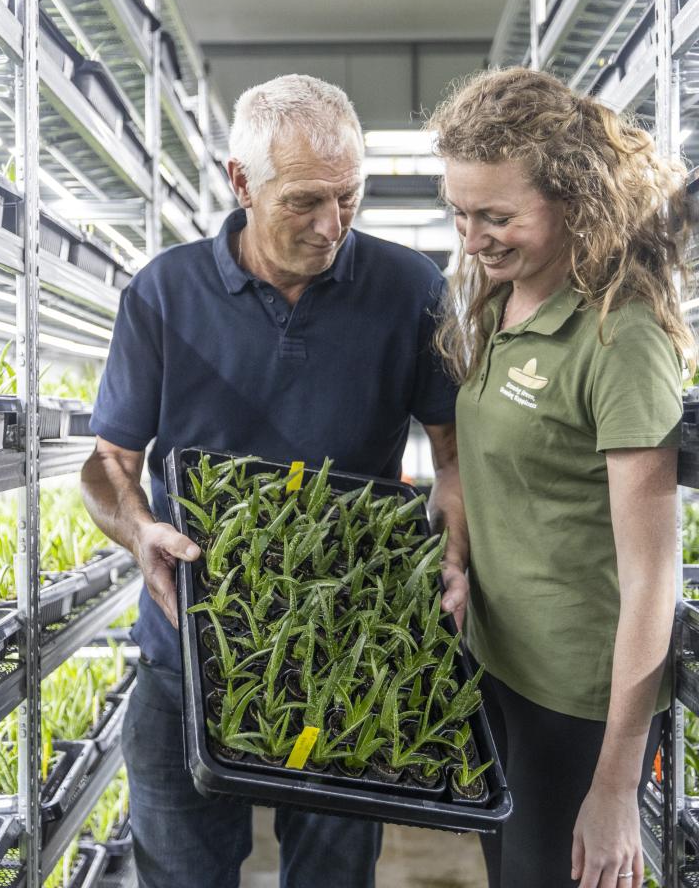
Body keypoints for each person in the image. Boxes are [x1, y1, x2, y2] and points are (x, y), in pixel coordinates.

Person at [81, 73, 464, 888]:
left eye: (349, 197)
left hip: (341, 656)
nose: (332, 226)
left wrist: (455, 548)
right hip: (183, 651)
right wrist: (140, 528)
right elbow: (109, 463)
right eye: (304, 201)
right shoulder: (165, 293)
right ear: (241, 183)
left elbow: (456, 452)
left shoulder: (412, 291)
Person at [431, 66, 692, 888]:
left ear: (575, 201)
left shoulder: (621, 340)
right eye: (461, 214)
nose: (473, 239)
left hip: (579, 708)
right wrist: (459, 555)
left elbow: (653, 579)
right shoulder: (500, 297)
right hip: (499, 670)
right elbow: (489, 467)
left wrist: (613, 787)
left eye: (498, 216)